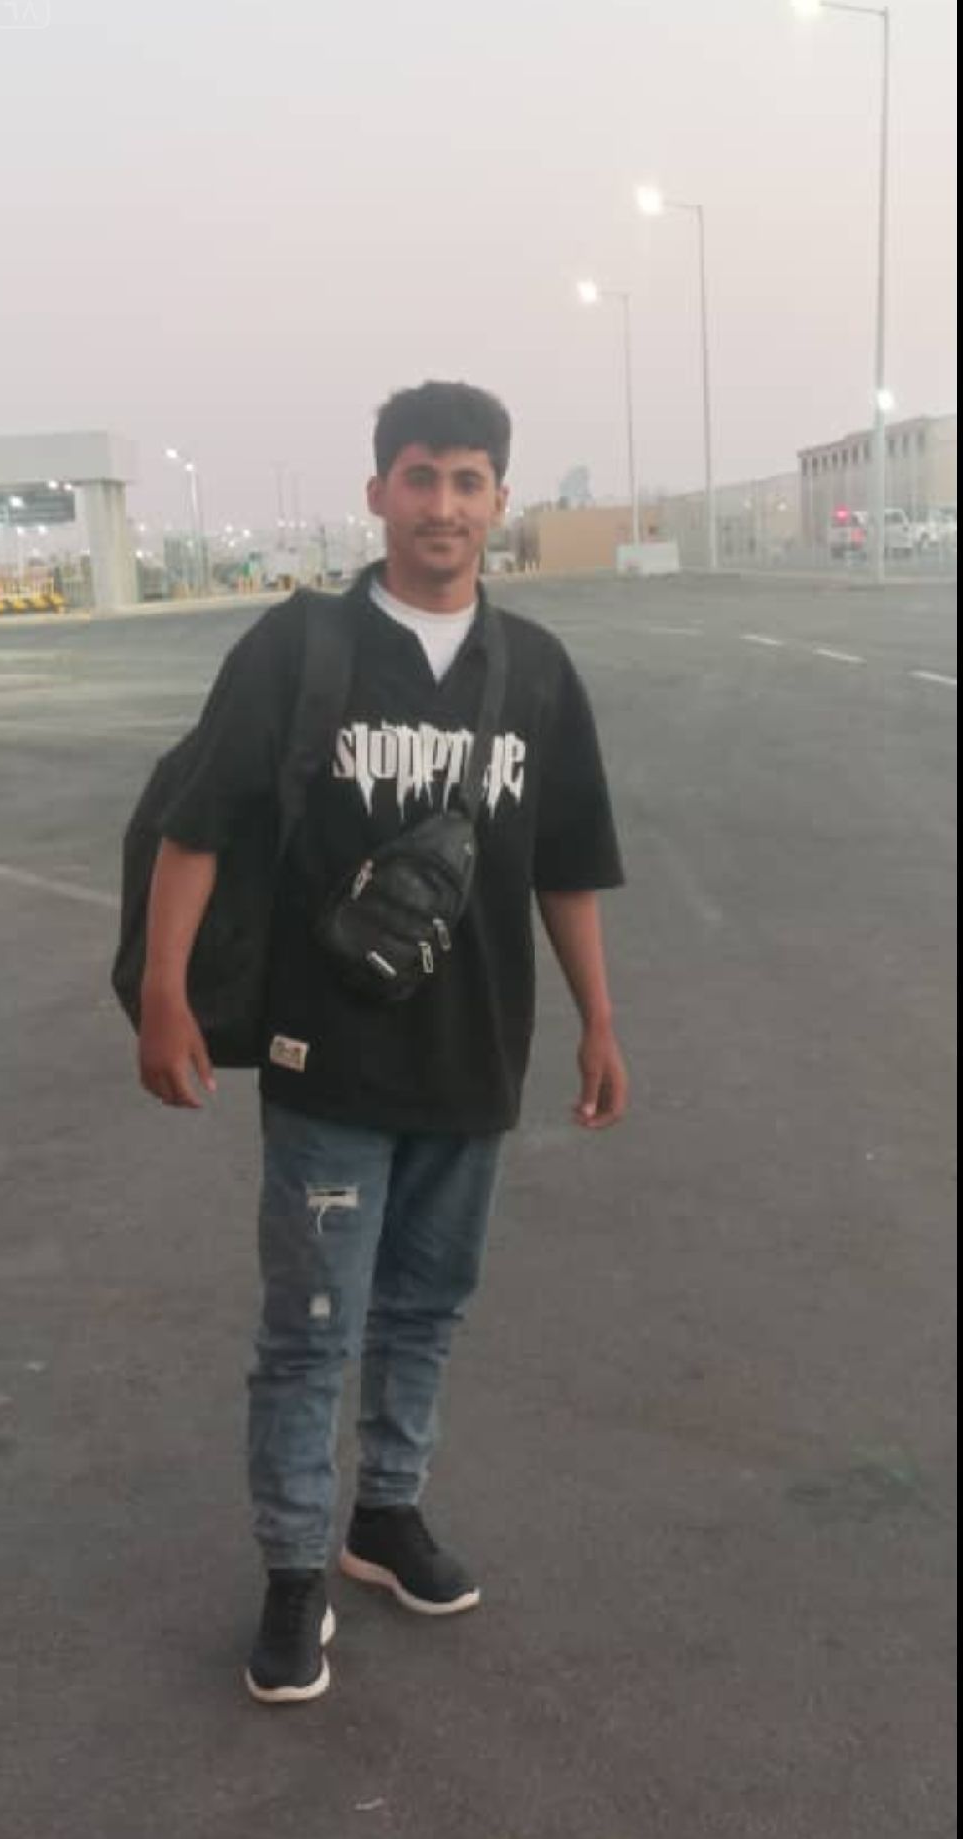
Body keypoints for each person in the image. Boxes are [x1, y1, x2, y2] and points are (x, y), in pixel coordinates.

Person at [137, 380, 628, 1704]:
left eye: (468, 482)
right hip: (328, 1062)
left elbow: (566, 864)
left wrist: (598, 1021)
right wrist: (165, 994)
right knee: (311, 1327)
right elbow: (197, 824)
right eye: (420, 477)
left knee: (426, 1309)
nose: (443, 506)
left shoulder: (536, 673)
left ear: (501, 502)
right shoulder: (301, 648)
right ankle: (294, 1570)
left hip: (475, 1058)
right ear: (378, 494)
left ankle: (385, 1514)